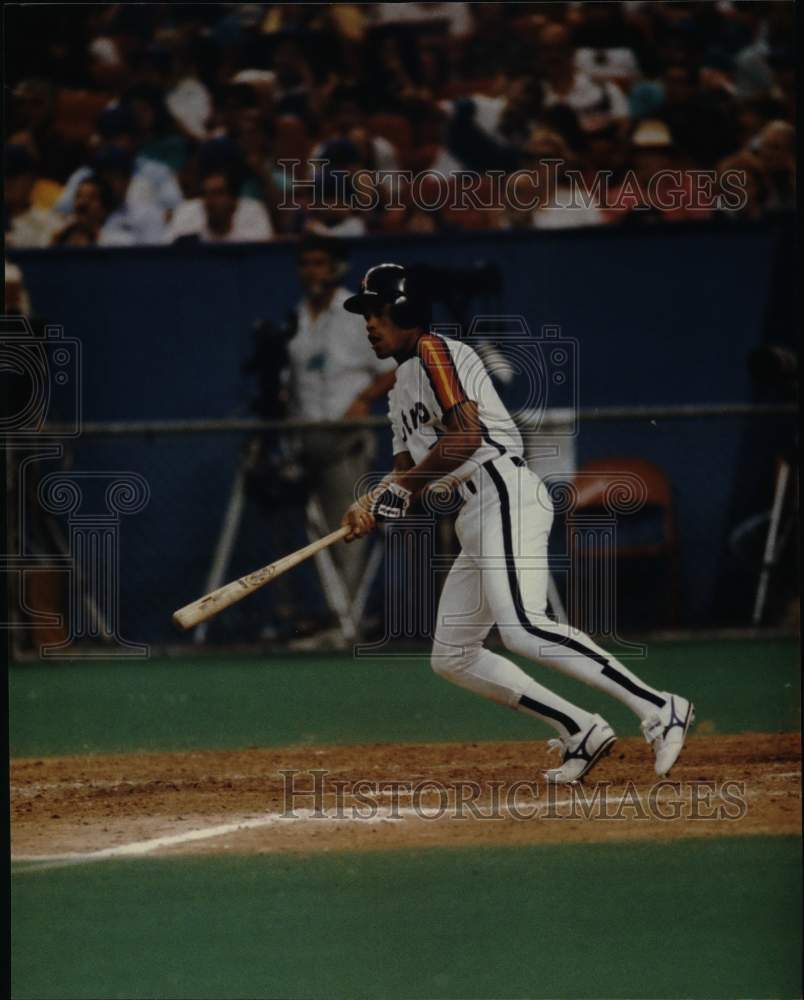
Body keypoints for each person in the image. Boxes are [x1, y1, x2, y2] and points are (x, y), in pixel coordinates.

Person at [340, 263, 695, 783]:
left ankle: (659, 706)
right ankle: (581, 729)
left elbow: (465, 438)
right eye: (366, 314)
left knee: (525, 628)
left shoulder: (435, 351)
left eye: (379, 312)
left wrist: (402, 489)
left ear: (408, 311)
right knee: (453, 655)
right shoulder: (399, 389)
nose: (370, 324)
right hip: (474, 512)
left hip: (503, 492)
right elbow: (406, 469)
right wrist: (372, 502)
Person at [285, 236, 396, 600]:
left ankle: (344, 621)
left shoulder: (356, 314)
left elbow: (395, 365)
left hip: (346, 440)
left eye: (318, 262)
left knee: (348, 525)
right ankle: (321, 614)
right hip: (305, 440)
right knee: (309, 532)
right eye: (305, 263)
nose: (310, 271)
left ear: (335, 268)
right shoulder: (298, 315)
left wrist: (364, 399)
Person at [167, 168, 273, 243]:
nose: (210, 200)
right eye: (206, 194)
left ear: (234, 201)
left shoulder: (253, 212)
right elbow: (167, 255)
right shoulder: (186, 213)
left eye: (218, 193)